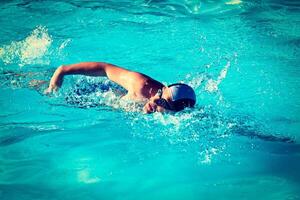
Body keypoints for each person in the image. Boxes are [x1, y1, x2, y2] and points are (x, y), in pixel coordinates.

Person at [45, 62, 196, 113]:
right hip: (92, 92)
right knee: (43, 89)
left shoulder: (183, 112)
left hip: (103, 105)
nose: (156, 100)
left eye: (162, 103)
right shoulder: (140, 85)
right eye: (160, 94)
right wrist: (63, 71)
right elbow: (105, 69)